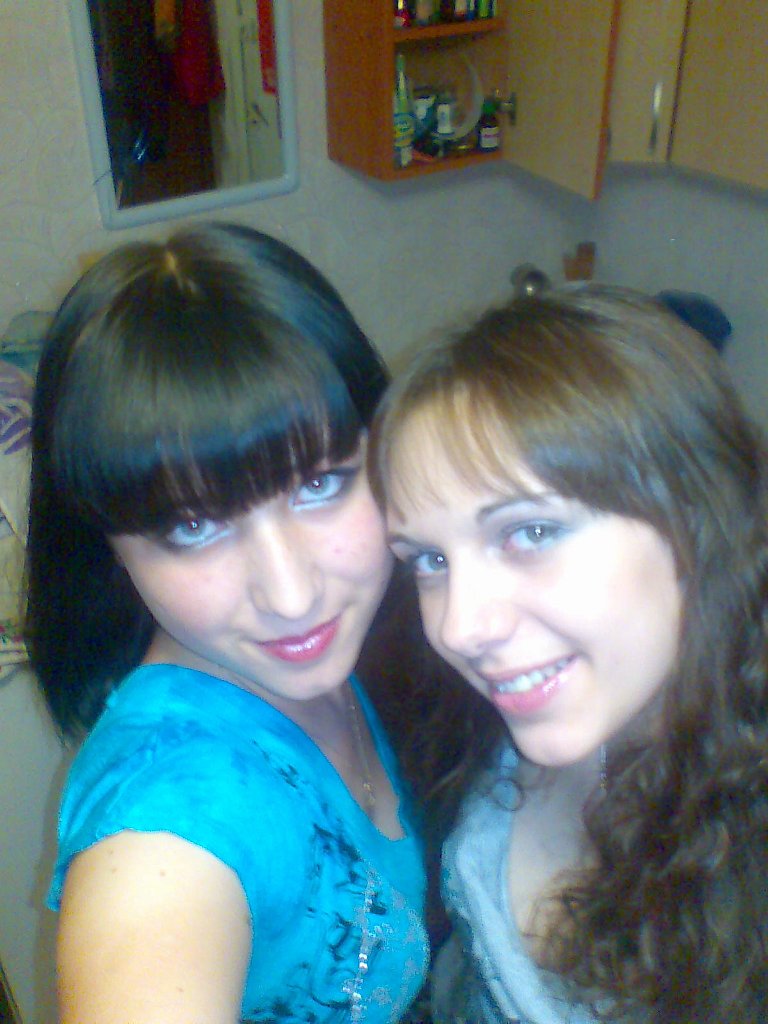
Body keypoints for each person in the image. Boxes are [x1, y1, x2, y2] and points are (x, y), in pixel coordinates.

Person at [25, 222, 429, 1024]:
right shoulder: (165, 833)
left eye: (321, 483)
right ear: (108, 546)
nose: (291, 595)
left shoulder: (352, 653)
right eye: (193, 526)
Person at [370, 285, 768, 1023]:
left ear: (695, 519)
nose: (459, 628)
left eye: (531, 532)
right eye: (428, 560)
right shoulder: (532, 703)